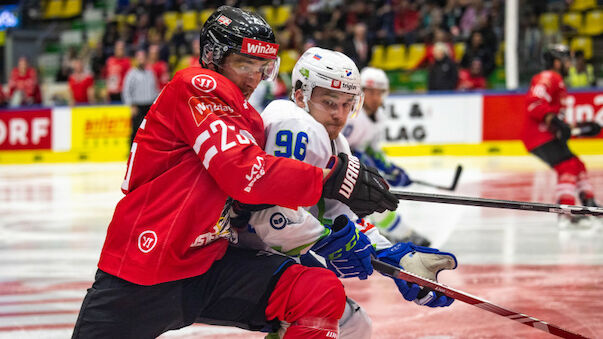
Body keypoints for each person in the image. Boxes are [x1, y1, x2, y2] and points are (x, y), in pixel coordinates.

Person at [71, 7, 398, 339]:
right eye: (244, 65)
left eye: (262, 68)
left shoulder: (249, 118)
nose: (254, 79)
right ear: (213, 56)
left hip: (209, 263)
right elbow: (244, 173)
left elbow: (251, 194)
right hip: (148, 266)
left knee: (316, 291)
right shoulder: (196, 86)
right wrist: (328, 180)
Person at [238, 47, 456, 338]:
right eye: (329, 102)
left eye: (346, 104)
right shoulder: (294, 124)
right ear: (301, 94)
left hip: (267, 250)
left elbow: (341, 213)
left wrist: (394, 256)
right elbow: (272, 216)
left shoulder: (335, 141)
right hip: (241, 251)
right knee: (331, 305)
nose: (339, 114)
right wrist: (329, 242)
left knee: (355, 323)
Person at [343, 66, 431, 246]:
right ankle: (400, 232)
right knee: (371, 196)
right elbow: (336, 145)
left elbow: (372, 149)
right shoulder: (351, 114)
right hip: (340, 170)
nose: (376, 98)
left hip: (353, 167)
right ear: (362, 91)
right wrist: (363, 163)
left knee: (373, 197)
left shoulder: (380, 116)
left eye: (379, 93)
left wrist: (391, 169)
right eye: (371, 92)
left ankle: (392, 230)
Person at [522, 45, 600, 228]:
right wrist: (557, 123)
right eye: (566, 60)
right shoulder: (548, 77)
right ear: (557, 62)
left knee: (577, 165)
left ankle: (589, 204)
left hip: (545, 135)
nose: (569, 64)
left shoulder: (557, 80)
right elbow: (535, 104)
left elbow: (556, 120)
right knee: (567, 166)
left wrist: (580, 127)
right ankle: (566, 212)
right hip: (538, 136)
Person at [122, 49, 159, 144]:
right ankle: (132, 153)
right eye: (139, 58)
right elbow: (126, 91)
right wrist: (131, 105)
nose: (141, 60)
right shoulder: (131, 74)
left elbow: (154, 89)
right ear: (136, 59)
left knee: (150, 131)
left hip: (149, 106)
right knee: (136, 131)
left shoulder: (150, 73)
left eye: (143, 58)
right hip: (137, 106)